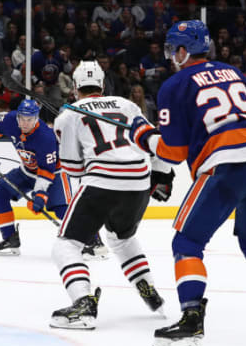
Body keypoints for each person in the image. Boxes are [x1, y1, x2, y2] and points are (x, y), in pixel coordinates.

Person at [129, 20, 246, 346]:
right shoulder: (232, 71)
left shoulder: (173, 85)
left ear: (182, 51)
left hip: (223, 168)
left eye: (171, 49)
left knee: (187, 242)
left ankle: (191, 322)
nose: (169, 56)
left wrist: (143, 136)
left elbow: (174, 152)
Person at [48, 61, 172, 330]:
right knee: (121, 238)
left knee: (66, 244)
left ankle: (82, 303)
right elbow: (153, 139)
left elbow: (71, 167)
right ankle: (148, 290)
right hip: (139, 181)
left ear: (75, 88)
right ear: (103, 85)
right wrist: (163, 173)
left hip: (102, 181)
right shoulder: (127, 105)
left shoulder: (68, 114)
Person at [0, 99, 72, 256]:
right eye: (22, 118)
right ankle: (10, 239)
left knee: (62, 210)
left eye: (29, 119)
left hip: (54, 174)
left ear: (36, 118)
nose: (24, 123)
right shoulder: (11, 120)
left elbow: (46, 171)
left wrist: (40, 195)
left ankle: (92, 241)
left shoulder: (45, 137)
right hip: (27, 171)